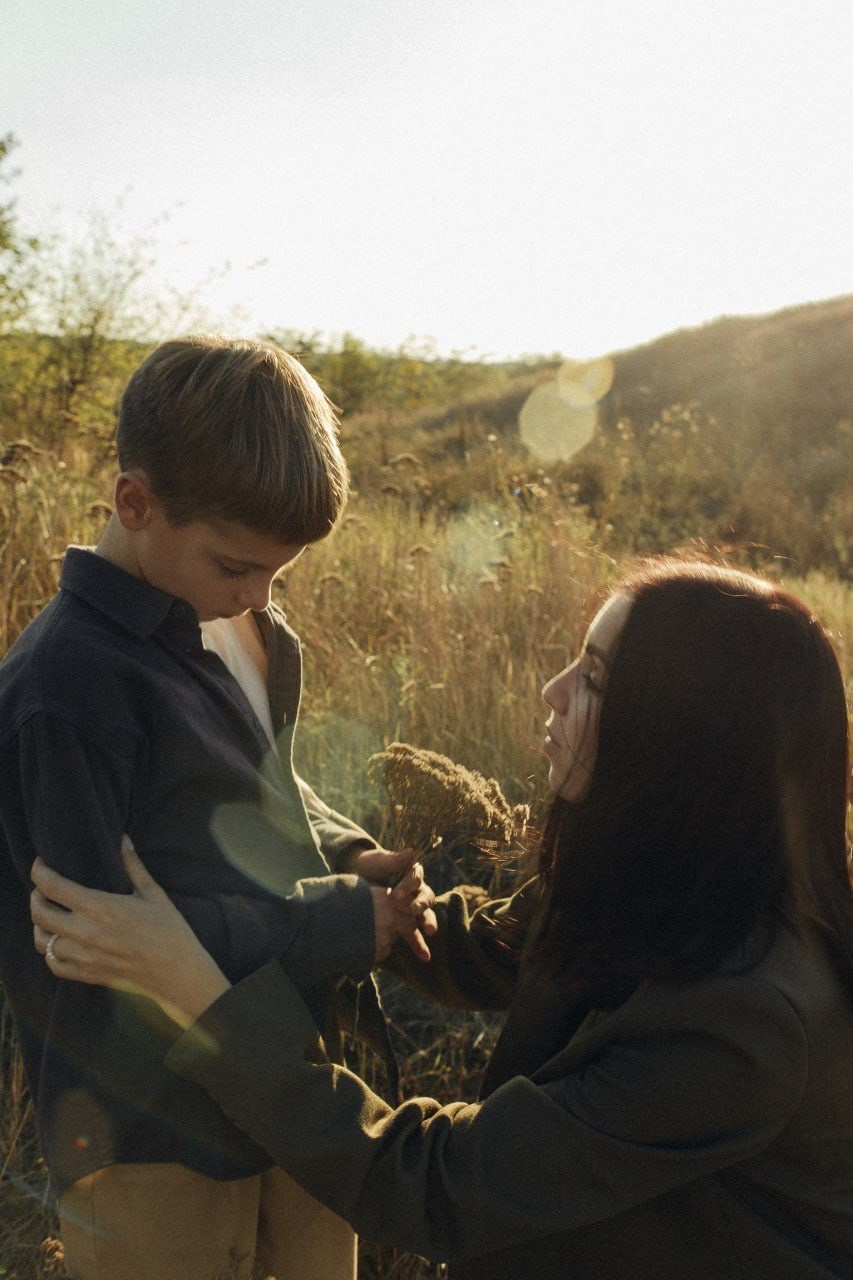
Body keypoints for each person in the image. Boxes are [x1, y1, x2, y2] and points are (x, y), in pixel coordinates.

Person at [30, 560, 853, 1279]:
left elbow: (434, 1188)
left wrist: (203, 1001)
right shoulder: (680, 873)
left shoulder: (745, 1025)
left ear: (682, 742)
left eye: (596, 679)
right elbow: (499, 949)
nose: (552, 690)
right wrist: (364, 891)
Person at [0, 336, 435, 1280]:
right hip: (153, 1142)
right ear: (135, 504)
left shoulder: (229, 619)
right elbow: (94, 942)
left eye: (280, 574)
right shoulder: (65, 688)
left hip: (288, 1088)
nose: (261, 595)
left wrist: (349, 853)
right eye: (238, 566)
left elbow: (266, 786)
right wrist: (332, 927)